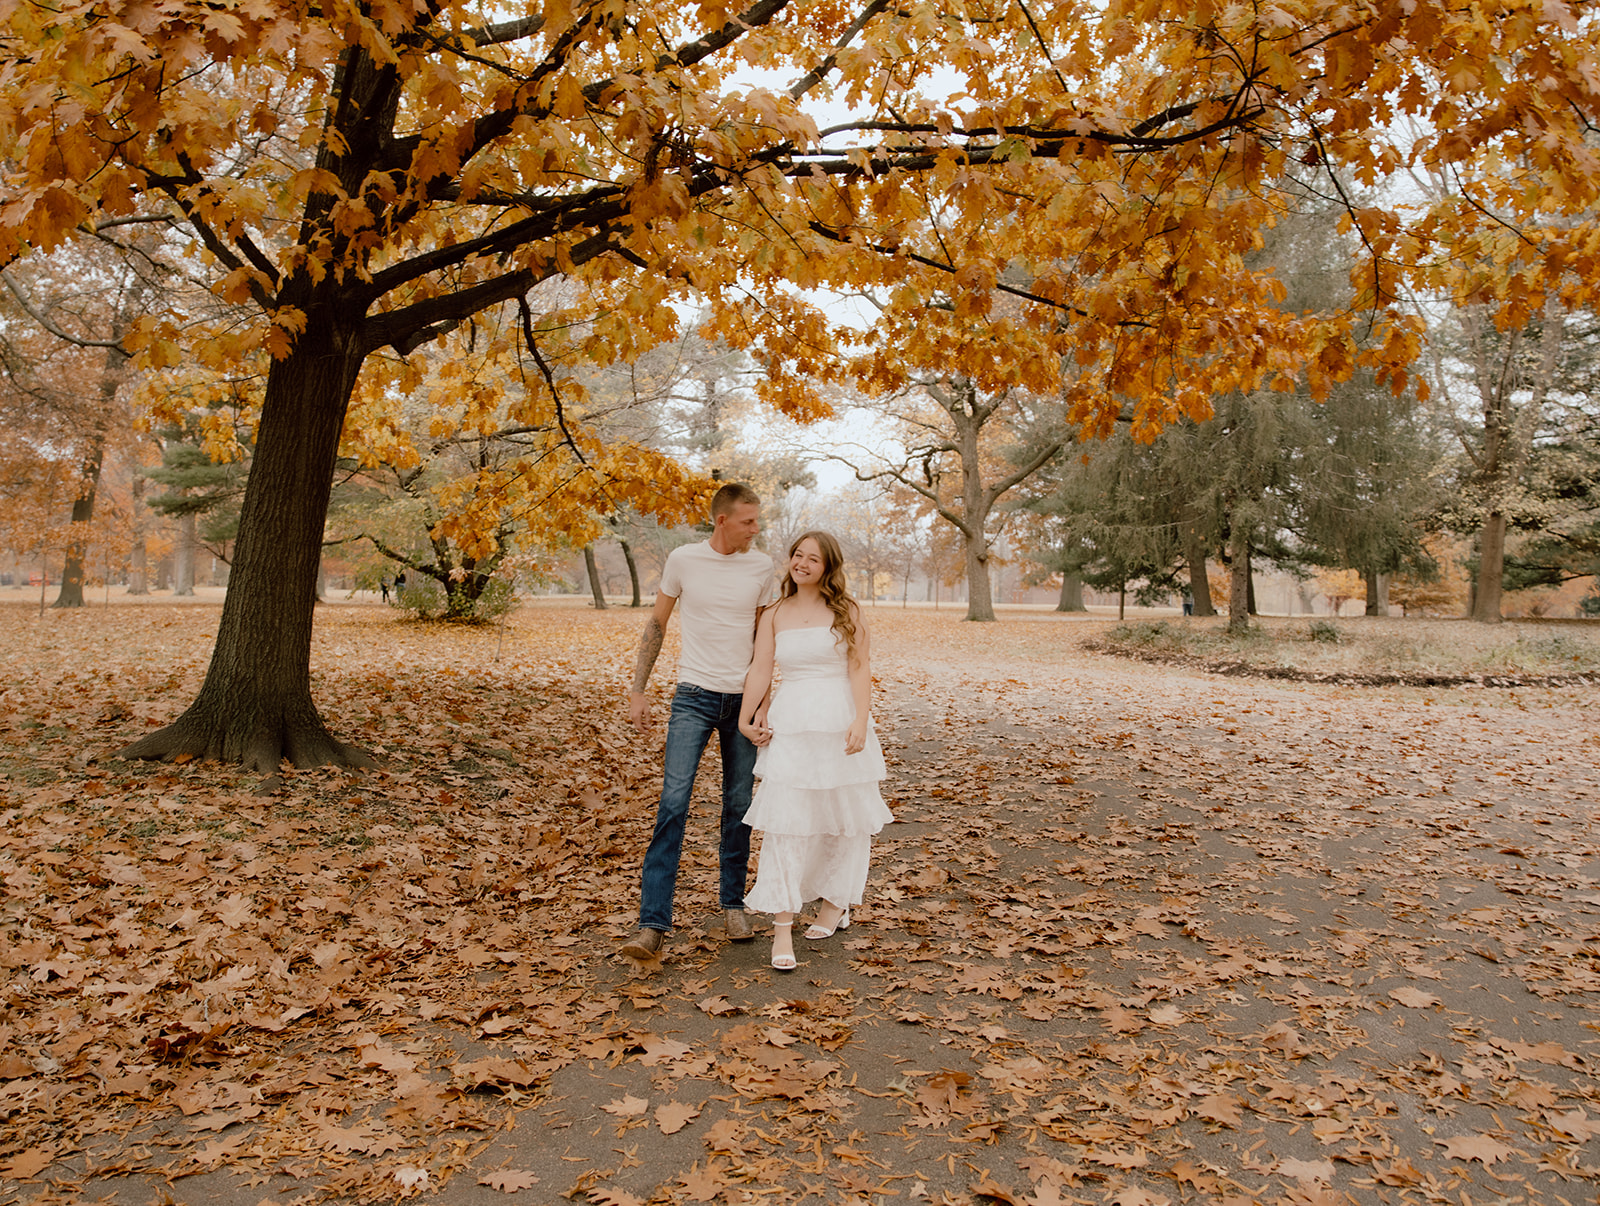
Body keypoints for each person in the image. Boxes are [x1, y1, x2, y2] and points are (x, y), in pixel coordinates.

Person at [619, 483, 779, 960]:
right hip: (693, 697)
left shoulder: (763, 567)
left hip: (743, 702)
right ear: (722, 520)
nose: (756, 529)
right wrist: (638, 690)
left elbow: (765, 641)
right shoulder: (683, 560)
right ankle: (652, 924)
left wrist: (763, 704)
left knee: (738, 804)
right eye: (748, 521)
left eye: (757, 520)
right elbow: (657, 625)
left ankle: (733, 904)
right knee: (673, 803)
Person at [738, 531, 892, 971]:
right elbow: (761, 668)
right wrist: (745, 718)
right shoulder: (773, 613)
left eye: (813, 559)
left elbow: (860, 668)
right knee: (788, 822)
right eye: (797, 555)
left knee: (842, 819)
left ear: (828, 568)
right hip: (793, 721)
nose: (802, 563)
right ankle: (782, 925)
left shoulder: (848, 611)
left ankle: (835, 903)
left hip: (838, 718)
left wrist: (860, 719)